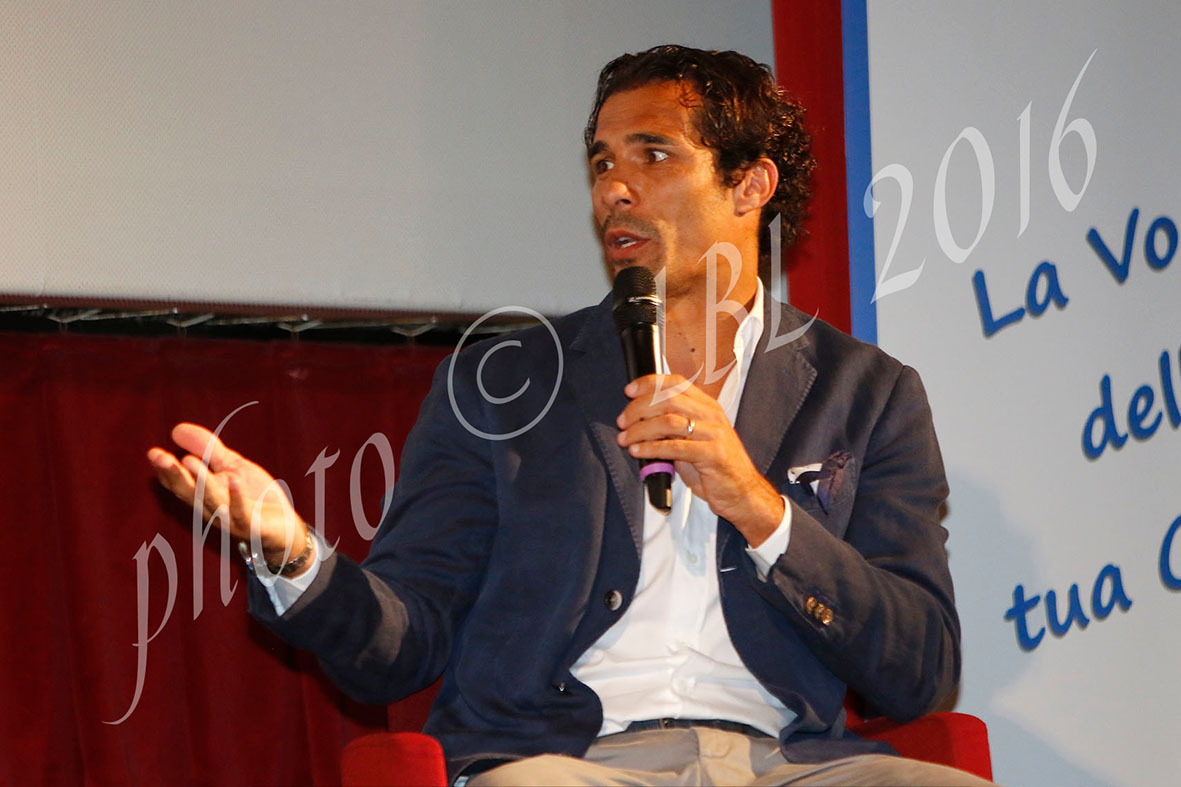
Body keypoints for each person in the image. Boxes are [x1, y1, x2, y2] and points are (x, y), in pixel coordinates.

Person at [149, 45, 989, 785]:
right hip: (568, 760)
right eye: (601, 163)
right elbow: (404, 642)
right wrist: (294, 556)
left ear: (750, 184)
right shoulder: (504, 381)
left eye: (652, 155)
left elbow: (918, 668)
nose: (613, 190)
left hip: (787, 762)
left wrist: (759, 507)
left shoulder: (866, 391)